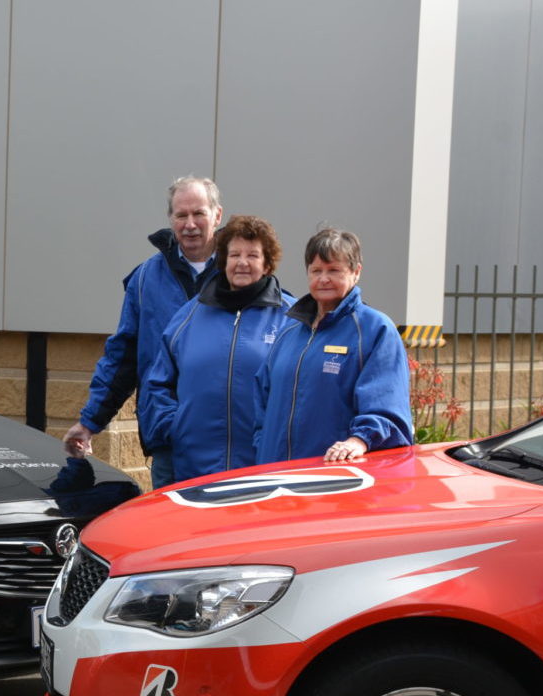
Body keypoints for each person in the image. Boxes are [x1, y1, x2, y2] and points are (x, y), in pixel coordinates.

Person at [64, 176, 223, 488]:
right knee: (169, 533)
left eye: (199, 213)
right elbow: (122, 358)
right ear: (171, 219)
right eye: (181, 215)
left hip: (226, 441)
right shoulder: (146, 279)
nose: (190, 224)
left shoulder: (241, 272)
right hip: (168, 439)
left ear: (217, 215)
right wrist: (89, 423)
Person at [142, 215, 293, 482]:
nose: (242, 262)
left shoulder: (292, 320)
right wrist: (174, 428)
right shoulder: (188, 316)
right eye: (234, 254)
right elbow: (157, 383)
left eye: (253, 255)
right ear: (223, 261)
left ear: (268, 263)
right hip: (194, 472)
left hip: (264, 473)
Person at [253, 227, 412, 464]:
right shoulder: (288, 332)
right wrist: (262, 443)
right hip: (275, 475)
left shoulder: (375, 330)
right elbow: (263, 401)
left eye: (334, 270)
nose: (323, 278)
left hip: (333, 478)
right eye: (316, 270)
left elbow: (386, 406)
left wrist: (359, 440)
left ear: (356, 272)